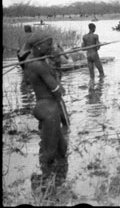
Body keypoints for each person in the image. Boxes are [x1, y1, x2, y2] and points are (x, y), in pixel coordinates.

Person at [24, 33, 68, 188]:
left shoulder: (35, 60)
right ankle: (44, 183)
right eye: (48, 45)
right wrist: (59, 84)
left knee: (62, 149)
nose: (51, 47)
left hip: (48, 107)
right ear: (38, 47)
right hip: (48, 108)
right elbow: (57, 90)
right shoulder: (39, 65)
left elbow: (28, 81)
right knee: (49, 152)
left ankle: (60, 180)